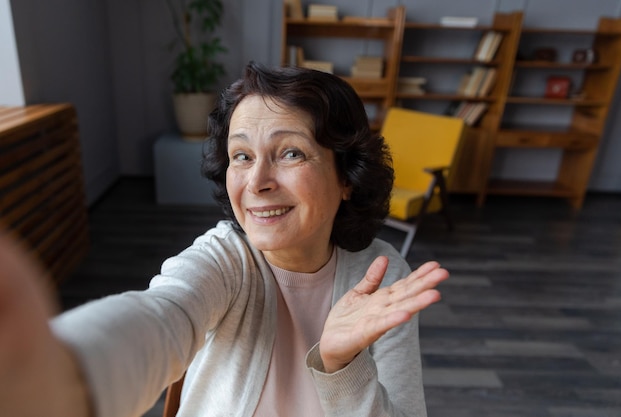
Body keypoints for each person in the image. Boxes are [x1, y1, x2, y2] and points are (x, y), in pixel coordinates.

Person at [0, 62, 449, 417]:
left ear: (346, 175)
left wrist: (344, 366)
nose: (257, 181)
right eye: (242, 156)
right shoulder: (225, 259)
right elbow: (163, 316)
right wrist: (57, 380)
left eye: (290, 152)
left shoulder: (383, 276)